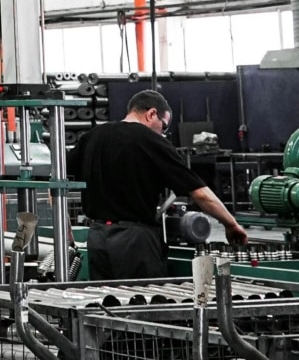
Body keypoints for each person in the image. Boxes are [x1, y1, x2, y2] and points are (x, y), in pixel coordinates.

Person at [72, 86, 248, 279]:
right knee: (145, 296)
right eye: (163, 127)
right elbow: (200, 193)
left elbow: (56, 184)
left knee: (107, 297)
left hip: (97, 239)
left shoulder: (91, 137)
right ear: (151, 114)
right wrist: (231, 224)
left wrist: (66, 234)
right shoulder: (150, 140)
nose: (162, 133)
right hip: (134, 242)